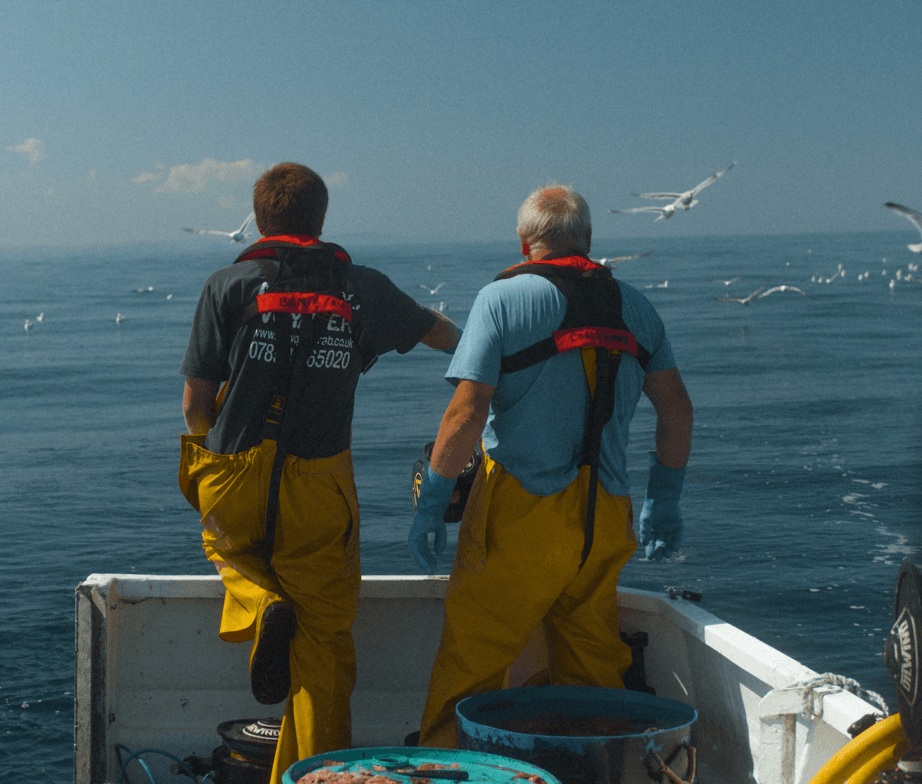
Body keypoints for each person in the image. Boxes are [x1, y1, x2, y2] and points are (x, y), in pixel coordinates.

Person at [179, 163, 460, 782]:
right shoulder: (364, 288)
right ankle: (314, 775)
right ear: (321, 218)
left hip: (235, 472)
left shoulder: (227, 284)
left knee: (225, 548)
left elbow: (197, 403)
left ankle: (260, 601)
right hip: (319, 477)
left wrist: (210, 458)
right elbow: (454, 342)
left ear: (259, 219)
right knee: (325, 646)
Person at [410, 182, 693, 748]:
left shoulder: (503, 299)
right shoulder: (636, 306)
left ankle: (444, 766)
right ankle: (590, 766)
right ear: (587, 240)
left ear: (524, 243)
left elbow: (465, 415)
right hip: (605, 515)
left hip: (520, 513)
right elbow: (676, 411)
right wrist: (665, 499)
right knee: (591, 671)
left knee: (473, 660)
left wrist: (432, 503)